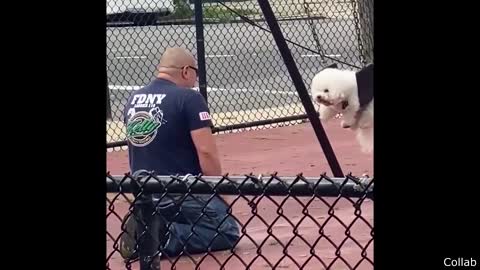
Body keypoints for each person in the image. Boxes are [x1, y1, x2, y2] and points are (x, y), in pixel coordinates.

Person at [119, 47, 240, 270]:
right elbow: (206, 151)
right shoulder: (189, 98)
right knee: (227, 231)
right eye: (196, 73)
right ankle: (163, 236)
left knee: (191, 217)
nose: (196, 80)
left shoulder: (133, 99)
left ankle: (152, 225)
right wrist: (218, 192)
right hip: (182, 189)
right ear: (186, 71)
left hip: (144, 189)